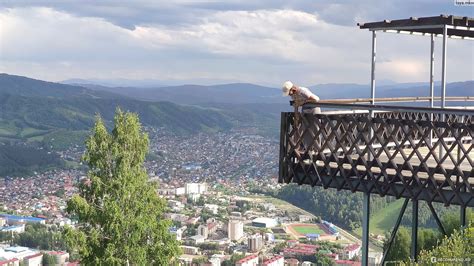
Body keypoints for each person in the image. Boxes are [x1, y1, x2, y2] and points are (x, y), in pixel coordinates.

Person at [282, 81, 321, 156]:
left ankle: (317, 150)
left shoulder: (303, 91)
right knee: (305, 129)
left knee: (315, 129)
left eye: (289, 92)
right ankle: (309, 149)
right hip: (305, 110)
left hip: (313, 109)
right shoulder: (294, 95)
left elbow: (315, 99)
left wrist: (303, 101)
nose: (289, 95)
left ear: (292, 89)